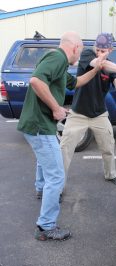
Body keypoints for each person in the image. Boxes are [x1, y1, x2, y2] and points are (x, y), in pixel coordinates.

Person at [17, 31, 105, 241]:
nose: (79, 55)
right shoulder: (57, 57)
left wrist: (96, 68)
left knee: (44, 160)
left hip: (38, 124)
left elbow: (75, 83)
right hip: (39, 124)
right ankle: (45, 226)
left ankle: (40, 189)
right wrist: (56, 107)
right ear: (74, 47)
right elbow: (36, 81)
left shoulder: (61, 65)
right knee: (56, 176)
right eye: (81, 50)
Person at [60, 32, 116, 193]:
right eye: (98, 49)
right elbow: (99, 64)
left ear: (110, 49)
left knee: (108, 147)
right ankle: (58, 187)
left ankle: (110, 175)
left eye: (103, 51)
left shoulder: (111, 66)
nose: (99, 53)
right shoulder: (87, 54)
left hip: (99, 114)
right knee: (64, 150)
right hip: (78, 113)